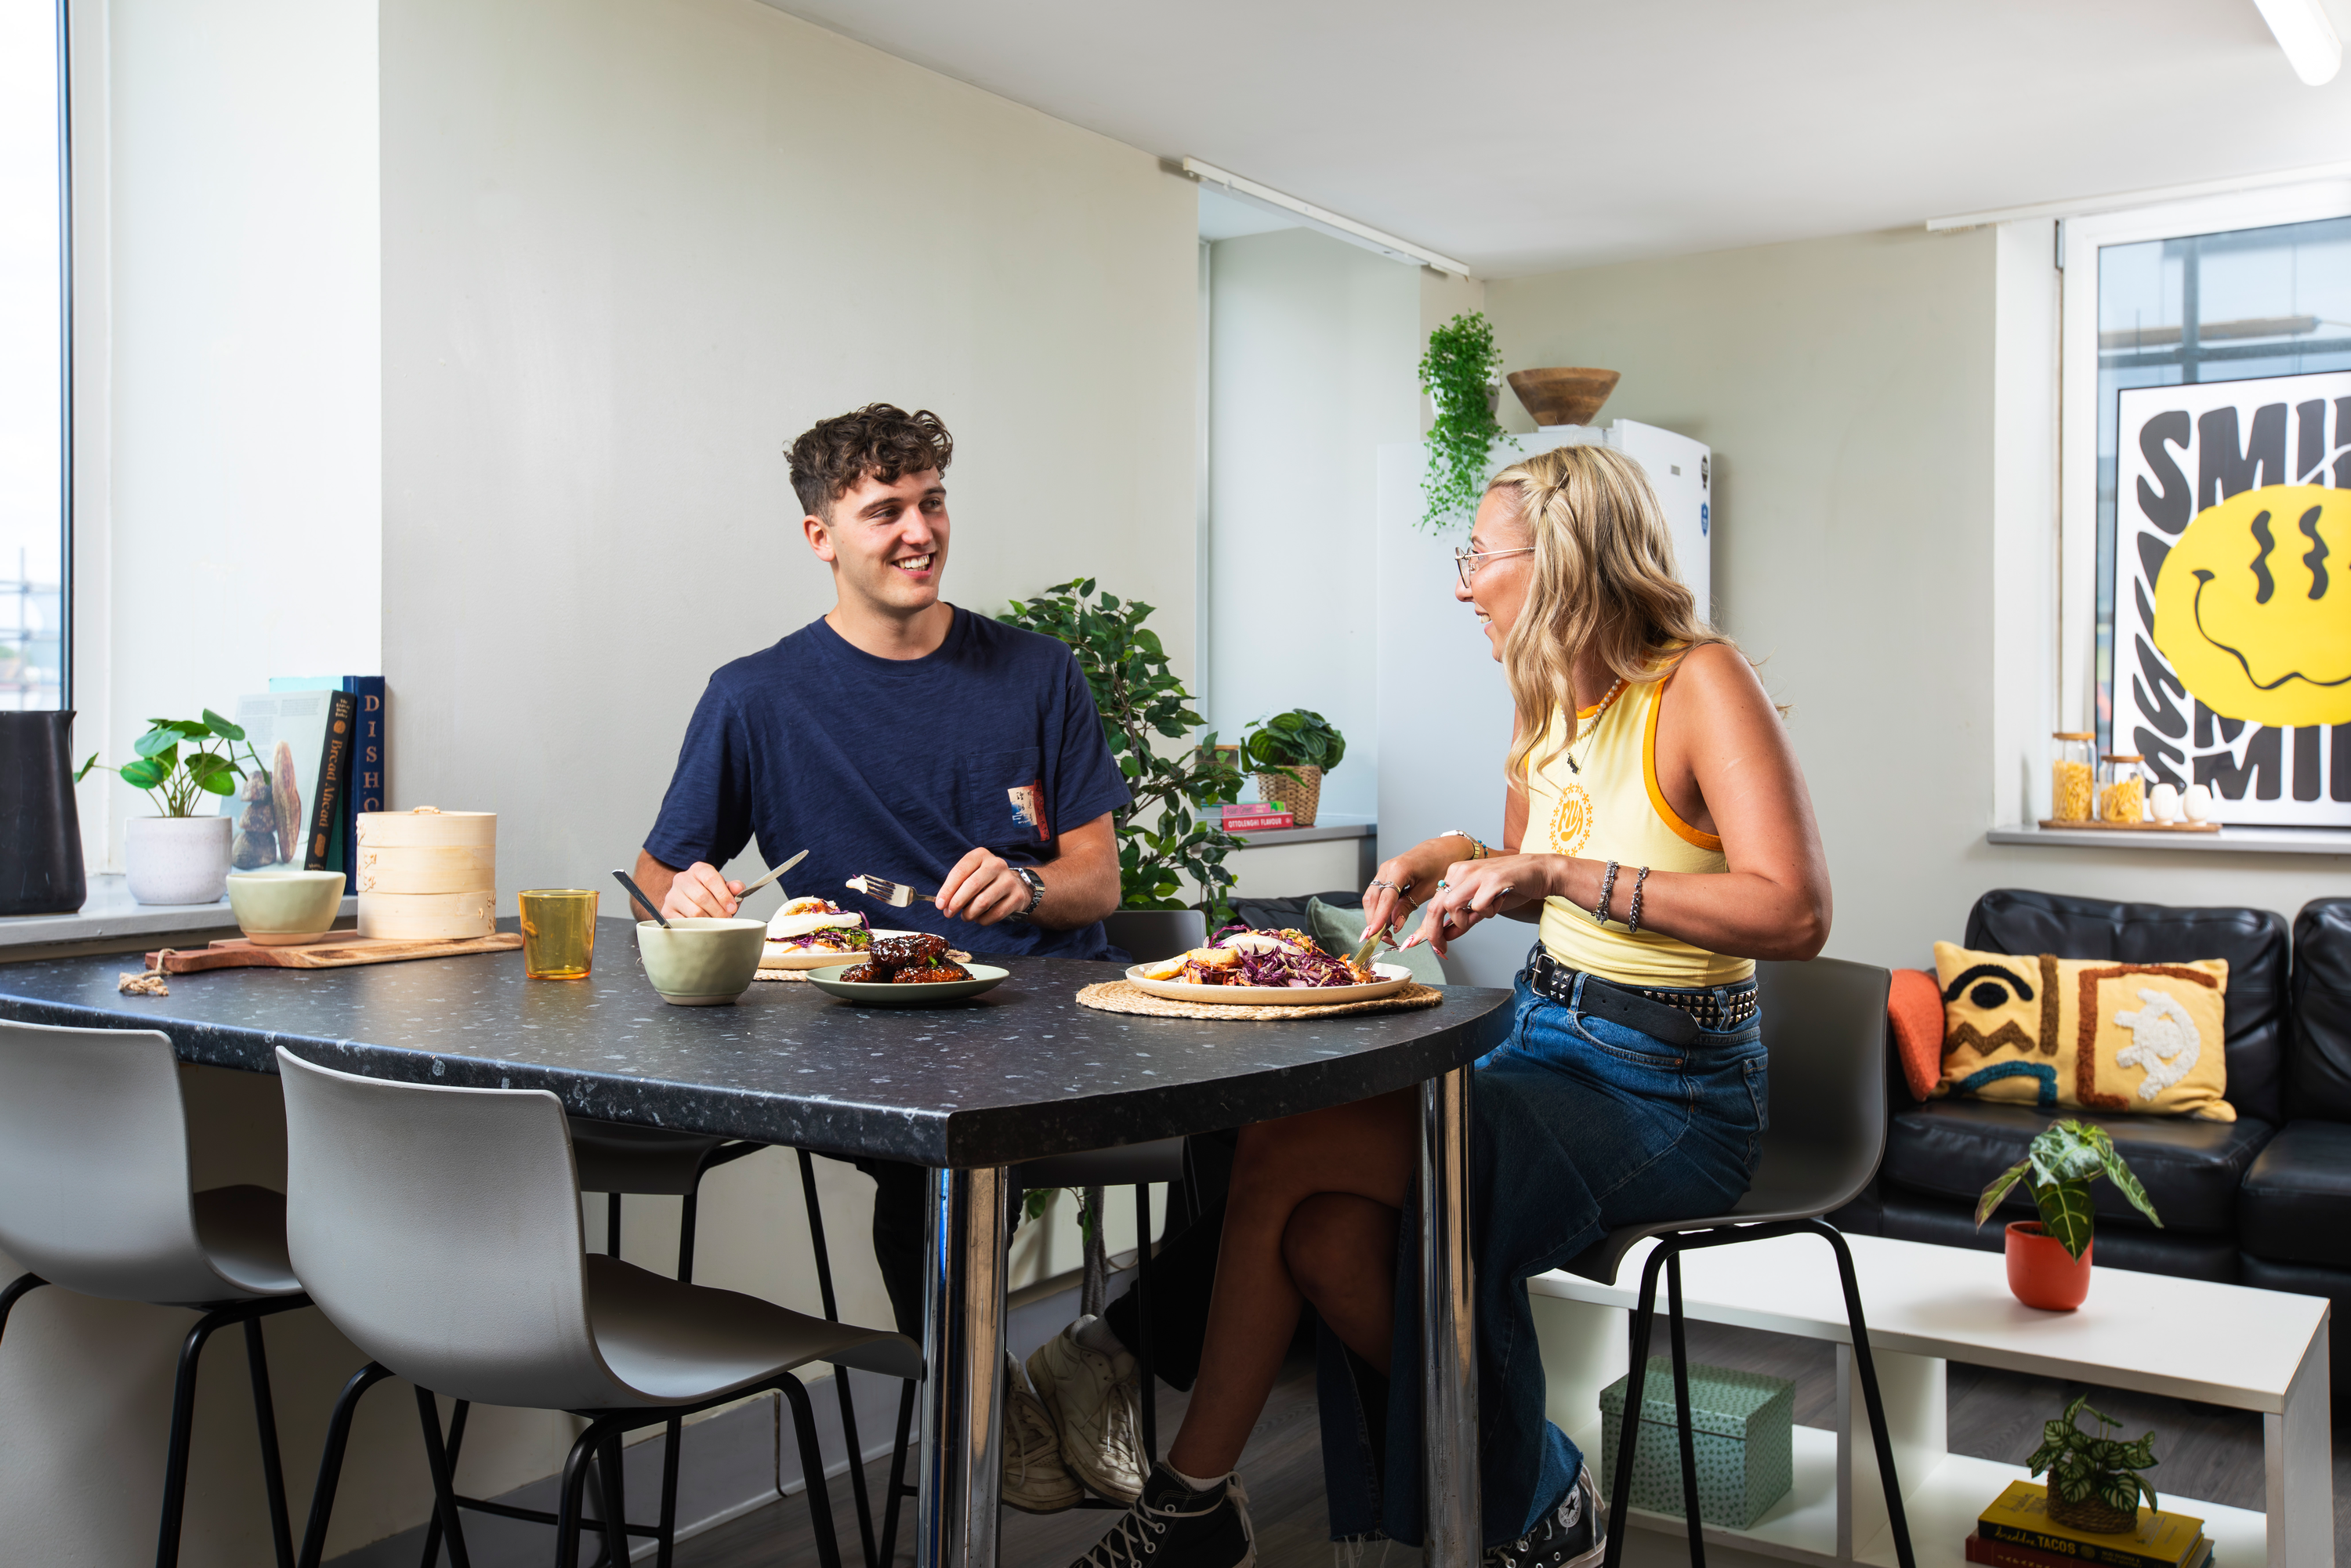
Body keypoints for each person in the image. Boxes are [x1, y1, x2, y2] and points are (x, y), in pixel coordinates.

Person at [1063, 443, 1831, 1568]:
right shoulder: (1540, 699)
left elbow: (1794, 913)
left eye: (1481, 555)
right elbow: (1551, 864)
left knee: (1283, 1141)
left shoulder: (1700, 682)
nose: (1466, 582)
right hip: (1539, 1036)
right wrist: (1469, 859)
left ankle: (1189, 1503)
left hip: (1672, 1089)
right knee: (1327, 1237)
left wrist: (1552, 876)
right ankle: (1543, 1489)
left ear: (1562, 560)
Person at [633, 402, 1132, 1509]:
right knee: (927, 1157)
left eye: (932, 502)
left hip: (1056, 1019)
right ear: (822, 537)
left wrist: (1034, 883)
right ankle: (980, 1400)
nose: (919, 531)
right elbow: (661, 876)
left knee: (1252, 1141)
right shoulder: (753, 696)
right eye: (885, 511)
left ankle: (1112, 1352)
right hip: (875, 1029)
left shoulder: (1037, 672)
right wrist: (695, 890)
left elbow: (1098, 880)